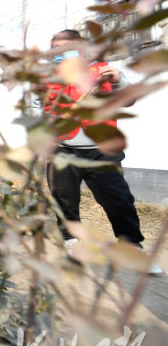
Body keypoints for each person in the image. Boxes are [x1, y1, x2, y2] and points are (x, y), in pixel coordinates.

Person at [44, 29, 162, 274]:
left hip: (102, 151)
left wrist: (119, 79)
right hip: (63, 149)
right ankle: (71, 241)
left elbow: (127, 100)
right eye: (56, 48)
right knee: (64, 199)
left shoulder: (102, 70)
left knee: (118, 199)